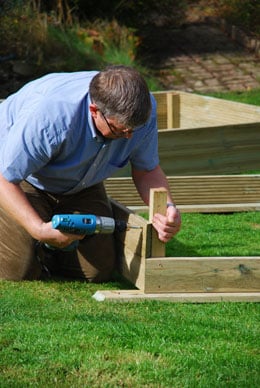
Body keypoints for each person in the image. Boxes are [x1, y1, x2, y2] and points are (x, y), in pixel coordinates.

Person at [0, 65, 181, 282]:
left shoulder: (142, 111)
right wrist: (38, 230)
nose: (129, 137)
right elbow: (5, 179)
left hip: (82, 183)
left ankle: (46, 248)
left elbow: (147, 169)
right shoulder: (50, 117)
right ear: (95, 111)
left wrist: (166, 209)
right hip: (26, 177)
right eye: (120, 130)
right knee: (19, 270)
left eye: (134, 129)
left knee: (96, 271)